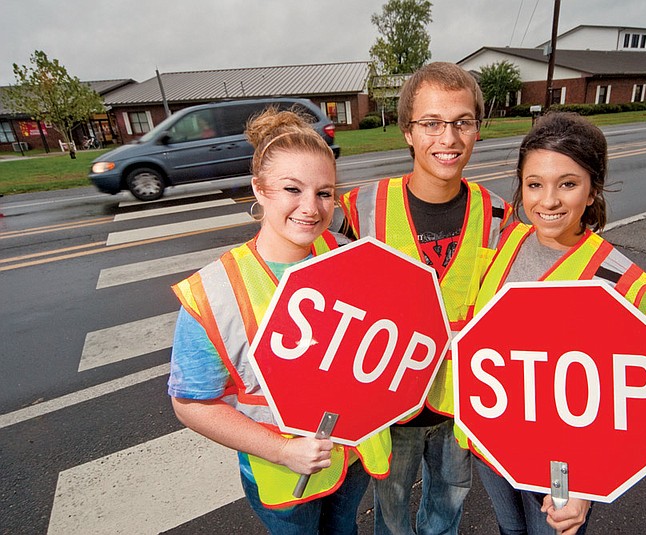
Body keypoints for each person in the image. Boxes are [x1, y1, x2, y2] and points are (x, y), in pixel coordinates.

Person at [168, 108, 391, 535]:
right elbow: (190, 404)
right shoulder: (214, 291)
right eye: (293, 189)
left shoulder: (351, 258)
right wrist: (282, 451)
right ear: (260, 189)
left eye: (324, 193)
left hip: (354, 457)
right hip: (283, 473)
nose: (311, 208)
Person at [464, 111, 646, 535]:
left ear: (592, 191)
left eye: (567, 184)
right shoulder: (507, 240)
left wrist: (588, 489)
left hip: (560, 470)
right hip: (493, 448)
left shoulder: (619, 280)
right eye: (535, 184)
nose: (548, 200)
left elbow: (624, 404)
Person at [339, 62, 511, 535]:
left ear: (478, 128)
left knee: (449, 502)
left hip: (463, 403)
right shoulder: (363, 208)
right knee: (390, 508)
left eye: (462, 122)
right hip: (390, 403)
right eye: (431, 123)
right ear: (407, 132)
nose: (448, 137)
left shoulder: (499, 213)